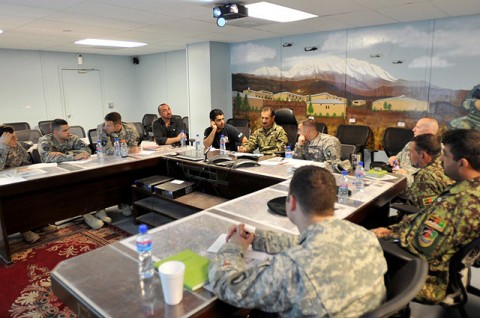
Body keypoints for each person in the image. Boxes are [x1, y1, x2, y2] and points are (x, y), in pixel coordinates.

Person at [209, 166, 387, 317]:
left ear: (291, 203)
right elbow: (308, 243)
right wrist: (258, 238)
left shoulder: (292, 268)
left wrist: (234, 247)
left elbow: (228, 286)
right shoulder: (364, 235)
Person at [371, 129, 480, 305]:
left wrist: (384, 234)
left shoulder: (458, 204)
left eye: (445, 154)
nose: (441, 159)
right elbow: (426, 219)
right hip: (442, 260)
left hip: (425, 277)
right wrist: (394, 229)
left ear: (462, 163)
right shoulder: (468, 189)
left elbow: (421, 246)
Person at [0, 125, 56, 244]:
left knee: (35, 193)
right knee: (15, 201)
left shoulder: (17, 146)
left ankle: (39, 223)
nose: (16, 140)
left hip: (17, 179)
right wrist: (3, 146)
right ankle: (24, 230)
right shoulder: (2, 147)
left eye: (15, 137)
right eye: (12, 138)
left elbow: (26, 162)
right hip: (4, 187)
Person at [403, 133, 454, 209]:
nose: (408, 155)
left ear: (423, 156)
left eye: (411, 152)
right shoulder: (445, 166)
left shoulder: (426, 176)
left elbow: (423, 212)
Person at [388, 117, 439, 186]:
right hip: (397, 180)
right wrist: (393, 160)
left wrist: (403, 174)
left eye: (417, 127)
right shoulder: (411, 144)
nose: (413, 129)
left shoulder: (436, 150)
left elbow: (420, 183)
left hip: (409, 189)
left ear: (427, 131)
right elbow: (397, 161)